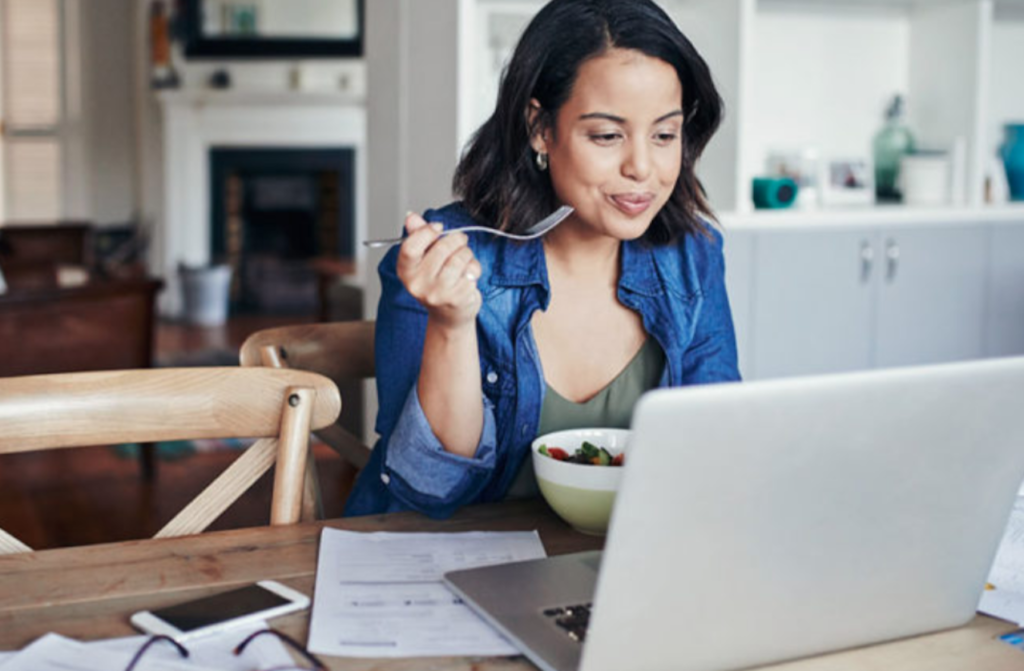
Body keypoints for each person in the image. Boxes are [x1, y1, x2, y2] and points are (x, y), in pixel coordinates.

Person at [345, 0, 739, 518]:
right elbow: (430, 489)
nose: (643, 167)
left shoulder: (692, 256)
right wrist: (451, 324)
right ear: (540, 128)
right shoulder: (448, 259)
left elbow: (718, 449)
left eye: (664, 134)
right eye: (606, 136)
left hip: (610, 566)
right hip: (446, 565)